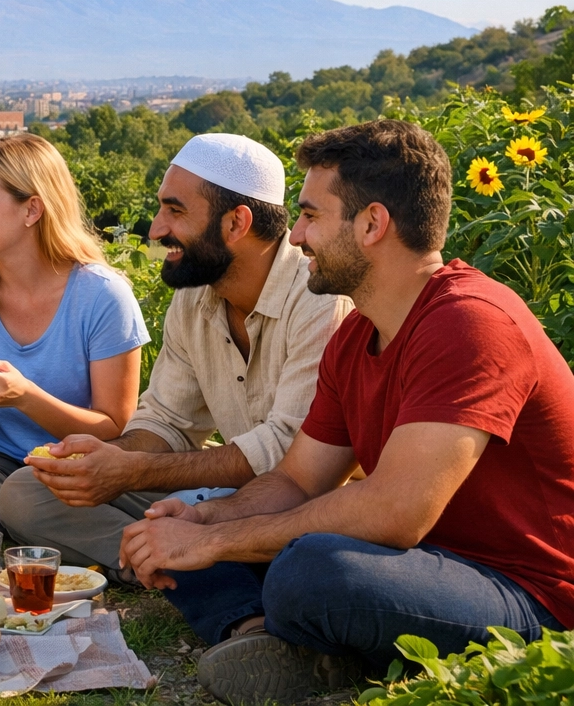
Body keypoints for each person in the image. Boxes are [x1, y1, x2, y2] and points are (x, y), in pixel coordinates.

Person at [119, 120, 574, 706]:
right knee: (193, 529)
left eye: (309, 216)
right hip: (421, 565)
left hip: (532, 593)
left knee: (312, 569)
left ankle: (306, 643)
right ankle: (266, 639)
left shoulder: (470, 323)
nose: (297, 236)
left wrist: (218, 543)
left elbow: (395, 511)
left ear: (372, 224)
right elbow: (297, 480)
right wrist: (207, 525)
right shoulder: (357, 333)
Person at [3, 134, 351, 577]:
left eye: (175, 210)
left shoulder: (318, 296)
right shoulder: (196, 297)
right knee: (26, 492)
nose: (156, 229)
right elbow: (168, 419)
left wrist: (135, 471)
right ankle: (171, 562)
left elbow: (290, 452)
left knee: (303, 552)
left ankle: (194, 567)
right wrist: (113, 460)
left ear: (236, 224)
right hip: (224, 493)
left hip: (302, 505)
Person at [0, 133, 150, 532]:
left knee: (23, 494)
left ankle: (109, 539)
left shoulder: (102, 296)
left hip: (83, 460)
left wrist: (26, 397)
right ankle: (48, 520)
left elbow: (114, 428)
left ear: (32, 210)